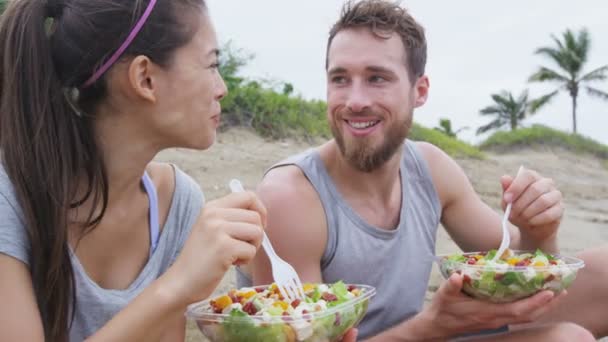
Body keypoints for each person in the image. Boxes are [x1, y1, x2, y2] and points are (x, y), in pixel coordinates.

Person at [245, 0, 603, 340]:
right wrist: (432, 327)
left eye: (377, 78)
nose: (354, 100)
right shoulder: (290, 198)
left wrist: (538, 229)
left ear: (420, 91)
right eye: (340, 79)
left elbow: (517, 267)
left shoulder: (430, 169)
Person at [0, 0, 271, 341]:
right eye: (211, 65)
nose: (222, 88)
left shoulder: (178, 202)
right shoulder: (9, 199)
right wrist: (178, 285)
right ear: (145, 78)